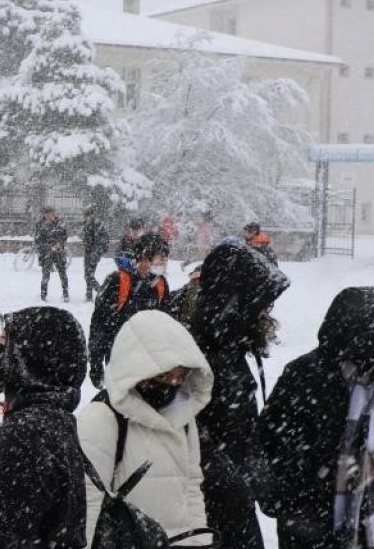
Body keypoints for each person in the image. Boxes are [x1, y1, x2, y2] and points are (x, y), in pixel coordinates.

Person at [261, 287, 374, 549]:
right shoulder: (304, 373)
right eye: (372, 338)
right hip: (306, 518)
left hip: (364, 515)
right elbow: (269, 437)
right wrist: (285, 499)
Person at [78, 310, 214, 547]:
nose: (172, 385)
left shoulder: (183, 416)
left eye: (179, 376)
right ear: (137, 372)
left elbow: (191, 486)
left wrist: (200, 541)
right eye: (163, 376)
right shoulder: (102, 418)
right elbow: (87, 502)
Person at [0, 306, 88, 549]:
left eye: (6, 339)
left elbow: (4, 538)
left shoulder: (30, 434)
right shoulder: (53, 419)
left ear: (32, 358)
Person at [191, 242, 289, 549]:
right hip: (212, 518)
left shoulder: (227, 350)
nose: (266, 315)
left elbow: (242, 437)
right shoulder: (205, 359)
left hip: (229, 509)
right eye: (260, 305)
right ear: (235, 303)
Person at [88, 233, 171, 389]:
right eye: (159, 257)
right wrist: (95, 361)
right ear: (143, 257)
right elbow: (99, 324)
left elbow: (167, 322)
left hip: (149, 359)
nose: (163, 261)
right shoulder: (117, 281)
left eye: (165, 257)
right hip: (119, 356)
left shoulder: (161, 284)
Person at [35, 207, 69, 302]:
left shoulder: (60, 223)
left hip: (59, 252)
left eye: (52, 213)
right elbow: (38, 241)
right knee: (45, 275)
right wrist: (49, 247)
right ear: (45, 215)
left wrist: (60, 244)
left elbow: (65, 236)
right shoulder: (40, 225)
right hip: (47, 253)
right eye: (47, 214)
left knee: (62, 274)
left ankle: (66, 293)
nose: (50, 216)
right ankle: (43, 294)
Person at [81, 207, 110, 302]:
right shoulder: (88, 223)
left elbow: (102, 240)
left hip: (93, 253)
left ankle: (100, 291)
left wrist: (97, 252)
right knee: (88, 274)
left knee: (88, 275)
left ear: (89, 215)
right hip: (89, 252)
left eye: (85, 215)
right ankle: (89, 294)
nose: (83, 217)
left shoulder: (95, 224)